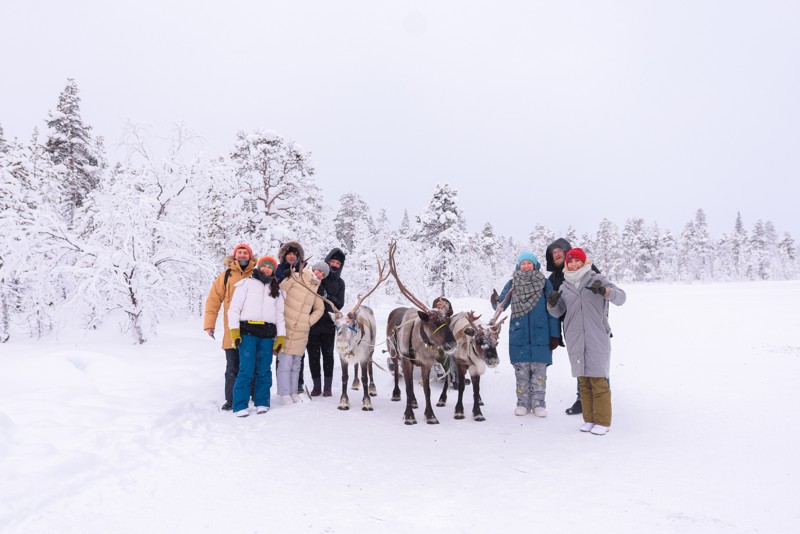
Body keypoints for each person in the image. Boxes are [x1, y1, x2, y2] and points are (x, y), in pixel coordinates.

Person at [546, 247, 626, 436]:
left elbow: (621, 297)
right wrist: (552, 303)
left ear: (584, 262)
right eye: (570, 262)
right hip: (574, 336)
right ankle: (589, 419)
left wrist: (606, 291)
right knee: (584, 381)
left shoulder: (596, 278)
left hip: (596, 335)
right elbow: (557, 312)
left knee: (598, 379)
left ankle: (603, 421)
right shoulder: (565, 286)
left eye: (577, 261)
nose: (573, 264)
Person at [493, 251, 561, 417]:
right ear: (518, 266)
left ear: (535, 265)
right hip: (519, 334)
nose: (526, 266)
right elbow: (500, 306)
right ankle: (522, 403)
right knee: (521, 373)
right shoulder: (512, 284)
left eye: (529, 263)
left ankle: (539, 404)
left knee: (539, 374)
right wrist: (494, 301)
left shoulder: (544, 283)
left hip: (541, 334)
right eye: (523, 263)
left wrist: (554, 335)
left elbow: (552, 310)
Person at [545, 237, 602, 416]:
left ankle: (601, 399)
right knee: (579, 362)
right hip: (572, 326)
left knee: (597, 362)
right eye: (553, 253)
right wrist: (555, 334)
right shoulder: (553, 278)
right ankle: (582, 399)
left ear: (567, 251)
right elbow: (554, 307)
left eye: (559, 250)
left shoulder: (587, 269)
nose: (556, 254)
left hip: (593, 326)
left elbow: (603, 294)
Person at [226, 256, 286, 417]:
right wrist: (234, 331)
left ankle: (262, 402)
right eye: (264, 266)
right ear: (259, 267)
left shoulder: (277, 290)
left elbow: (280, 315)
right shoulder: (246, 284)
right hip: (248, 333)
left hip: (267, 335)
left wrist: (281, 337)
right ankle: (240, 405)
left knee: (264, 370)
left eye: (270, 267)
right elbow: (234, 309)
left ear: (274, 270)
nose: (267, 269)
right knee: (246, 369)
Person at [203, 243, 256, 411]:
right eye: (239, 252)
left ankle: (254, 396)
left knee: (251, 364)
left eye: (245, 253)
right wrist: (209, 324)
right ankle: (232, 400)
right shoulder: (225, 276)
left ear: (250, 256)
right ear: (235, 256)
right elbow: (213, 300)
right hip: (231, 329)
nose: (242, 255)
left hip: (253, 328)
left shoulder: (256, 274)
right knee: (232, 365)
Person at [278, 260, 326, 404]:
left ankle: (293, 392)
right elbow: (279, 293)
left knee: (296, 364)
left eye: (323, 275)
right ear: (313, 268)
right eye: (319, 271)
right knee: (285, 363)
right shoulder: (296, 277)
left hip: (302, 331)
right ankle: (284, 394)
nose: (320, 275)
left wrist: (308, 321)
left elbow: (320, 309)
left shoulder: (316, 288)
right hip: (286, 326)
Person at [306, 248, 346, 397]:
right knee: (313, 355)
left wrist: (328, 297)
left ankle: (327, 387)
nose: (334, 265)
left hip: (329, 324)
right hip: (312, 323)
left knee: (328, 355)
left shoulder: (340, 283)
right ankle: (317, 386)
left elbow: (340, 304)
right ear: (327, 261)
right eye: (332, 261)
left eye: (338, 263)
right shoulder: (317, 277)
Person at [275, 240, 306, 392]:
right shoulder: (278, 270)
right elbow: (273, 289)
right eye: (289, 254)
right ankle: (282, 384)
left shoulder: (304, 271)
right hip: (282, 314)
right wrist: (283, 278)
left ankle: (298, 382)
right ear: (284, 256)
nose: (292, 257)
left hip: (299, 315)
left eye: (295, 254)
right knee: (281, 349)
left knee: (299, 350)